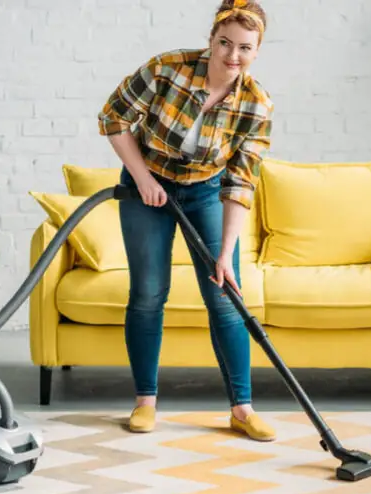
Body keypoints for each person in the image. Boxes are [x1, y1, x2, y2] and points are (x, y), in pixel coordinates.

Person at [96, 0, 275, 441]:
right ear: (211, 39)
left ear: (257, 50)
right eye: (225, 43)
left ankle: (242, 409)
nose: (232, 56)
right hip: (146, 186)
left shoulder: (256, 104)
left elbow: (241, 181)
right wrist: (141, 179)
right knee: (148, 293)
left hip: (205, 192)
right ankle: (145, 402)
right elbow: (113, 117)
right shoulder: (166, 69)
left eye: (245, 48)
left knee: (225, 296)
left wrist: (227, 253)